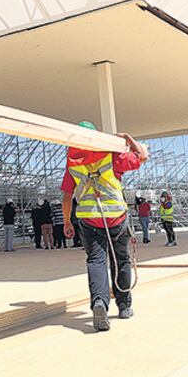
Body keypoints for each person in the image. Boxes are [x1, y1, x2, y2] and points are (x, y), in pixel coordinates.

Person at [62, 121, 148, 332]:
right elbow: (142, 156)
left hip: (89, 220)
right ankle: (124, 305)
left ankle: (99, 303)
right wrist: (127, 138)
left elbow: (66, 196)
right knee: (121, 260)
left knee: (96, 261)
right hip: (116, 218)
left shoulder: (72, 163)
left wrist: (66, 221)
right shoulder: (112, 156)